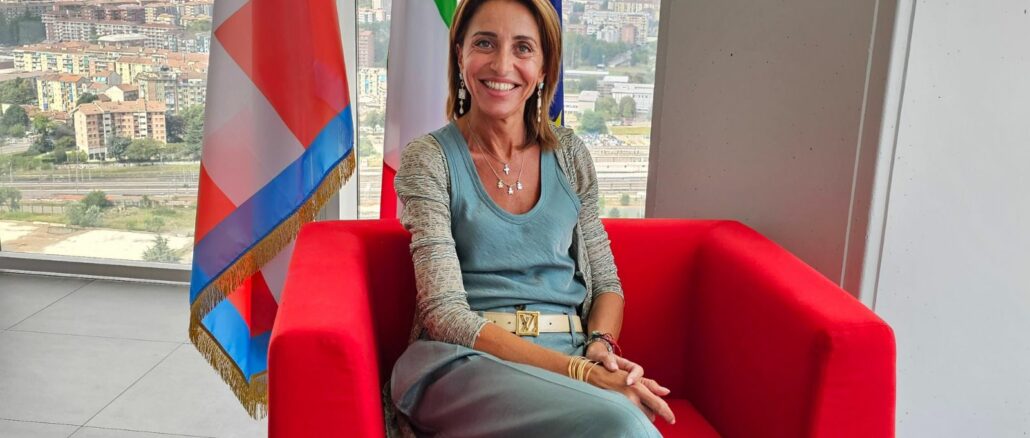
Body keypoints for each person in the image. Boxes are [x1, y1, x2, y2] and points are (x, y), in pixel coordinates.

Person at [389, 0, 675, 436]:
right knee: (622, 422)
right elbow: (444, 313)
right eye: (485, 43)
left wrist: (600, 349)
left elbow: (606, 284)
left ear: (544, 68)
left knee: (621, 416)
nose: (502, 65)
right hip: (467, 363)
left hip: (569, 353)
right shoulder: (429, 158)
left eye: (523, 48)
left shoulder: (571, 154)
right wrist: (582, 375)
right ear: (460, 54)